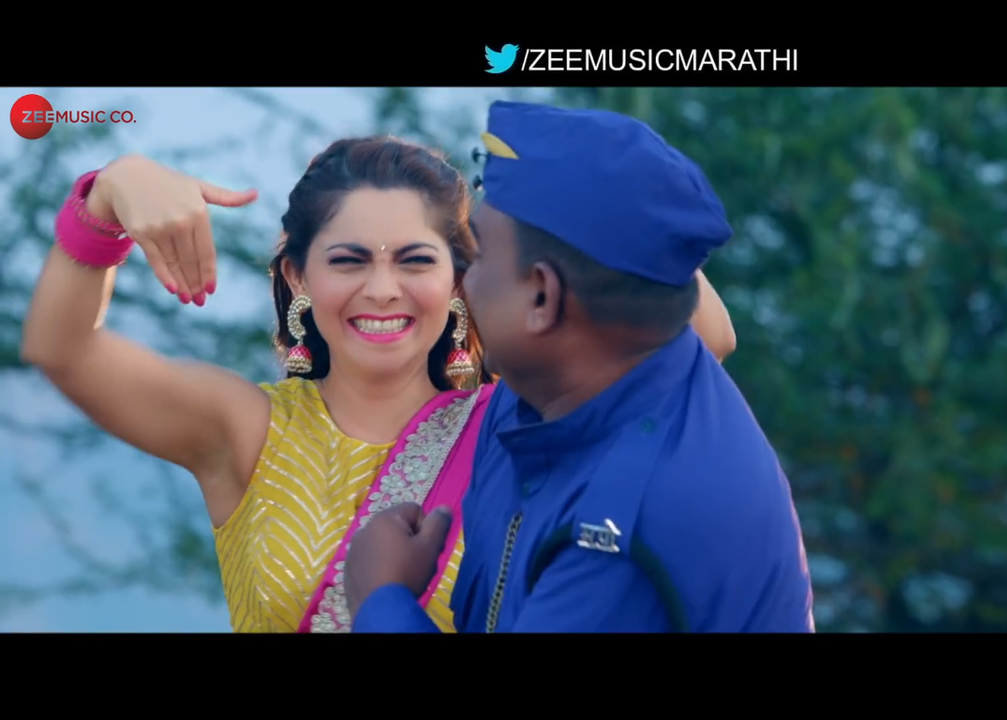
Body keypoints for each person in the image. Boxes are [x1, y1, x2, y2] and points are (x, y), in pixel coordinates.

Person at [19, 133, 738, 633]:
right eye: (350, 260)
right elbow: (62, 350)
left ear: (461, 279)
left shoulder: (516, 428)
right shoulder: (246, 428)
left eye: (417, 261)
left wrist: (583, 189)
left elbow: (705, 335)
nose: (383, 289)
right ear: (299, 275)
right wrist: (109, 195)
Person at [344, 101, 814, 632]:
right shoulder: (552, 389)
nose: (464, 281)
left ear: (543, 296)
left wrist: (380, 597)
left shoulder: (628, 527)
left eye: (480, 256)